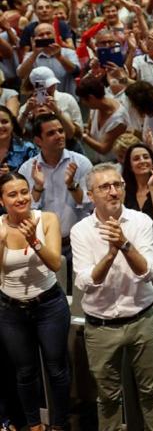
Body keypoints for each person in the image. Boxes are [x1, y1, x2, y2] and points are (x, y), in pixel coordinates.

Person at [70, 163, 153, 431]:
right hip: (101, 326)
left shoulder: (140, 221)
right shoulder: (81, 231)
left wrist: (124, 244)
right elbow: (85, 282)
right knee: (108, 398)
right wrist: (111, 254)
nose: (113, 192)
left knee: (152, 392)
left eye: (118, 185)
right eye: (105, 187)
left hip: (142, 319)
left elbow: (148, 271)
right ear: (91, 195)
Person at [0, 173, 70, 431]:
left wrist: (34, 241)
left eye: (24, 191)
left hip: (49, 305)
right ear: (2, 200)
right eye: (12, 194)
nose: (21, 198)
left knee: (56, 369)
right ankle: (34, 425)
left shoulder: (47, 218)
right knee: (25, 372)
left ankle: (61, 425)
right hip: (11, 309)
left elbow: (54, 263)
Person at [19, 113, 92, 287]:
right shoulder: (27, 169)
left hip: (77, 242)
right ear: (38, 140)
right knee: (50, 292)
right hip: (44, 245)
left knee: (79, 294)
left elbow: (90, 203)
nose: (59, 135)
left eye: (60, 131)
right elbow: (25, 210)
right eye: (51, 133)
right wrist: (37, 187)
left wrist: (72, 185)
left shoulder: (81, 163)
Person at [78, 76, 131, 163]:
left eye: (84, 100)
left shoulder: (119, 119)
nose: (83, 103)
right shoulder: (95, 107)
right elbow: (89, 130)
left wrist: (82, 135)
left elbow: (103, 149)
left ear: (91, 98)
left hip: (116, 163)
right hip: (99, 160)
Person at [0, 105, 37, 175]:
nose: (0, 126)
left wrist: (11, 177)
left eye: (4, 122)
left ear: (12, 124)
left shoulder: (28, 149)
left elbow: (36, 178)